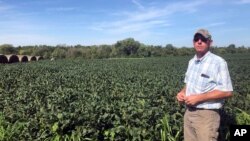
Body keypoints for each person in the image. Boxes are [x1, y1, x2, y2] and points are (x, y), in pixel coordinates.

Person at [176, 29, 233, 141]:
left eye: (203, 39)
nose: (199, 42)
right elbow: (187, 84)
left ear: (210, 42)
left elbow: (227, 91)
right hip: (189, 113)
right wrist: (182, 92)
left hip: (206, 116)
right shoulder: (191, 62)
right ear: (193, 42)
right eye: (196, 39)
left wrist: (199, 98)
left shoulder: (218, 62)